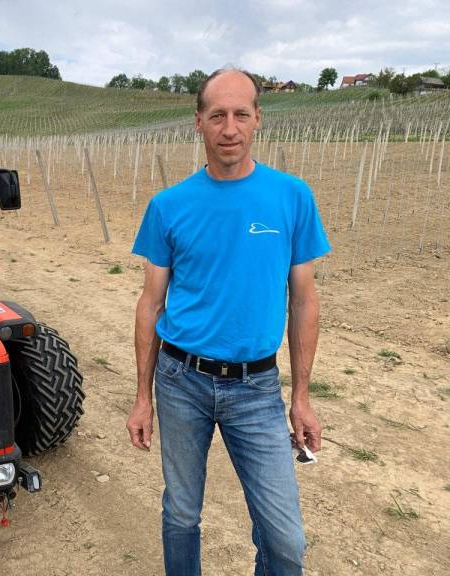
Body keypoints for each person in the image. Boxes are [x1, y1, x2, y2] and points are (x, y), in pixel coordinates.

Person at [126, 68, 331, 576]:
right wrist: (142, 397)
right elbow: (151, 304)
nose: (230, 128)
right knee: (181, 514)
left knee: (285, 541)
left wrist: (301, 396)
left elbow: (304, 301)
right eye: (217, 115)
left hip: (256, 388)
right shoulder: (168, 206)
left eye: (241, 114)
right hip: (181, 381)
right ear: (198, 122)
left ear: (258, 118)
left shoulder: (291, 197)